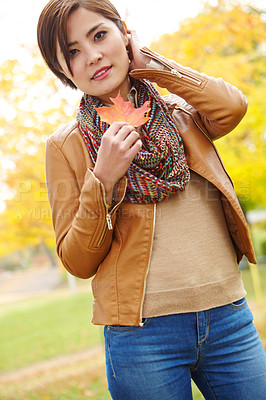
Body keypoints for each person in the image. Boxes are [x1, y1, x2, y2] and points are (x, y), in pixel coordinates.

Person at [37, 1, 266, 399]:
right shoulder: (65, 147)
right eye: (72, 51)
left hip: (228, 317)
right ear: (63, 70)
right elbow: (77, 260)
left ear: (124, 33)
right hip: (142, 338)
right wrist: (103, 178)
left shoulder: (181, 114)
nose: (92, 56)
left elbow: (233, 106)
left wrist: (153, 64)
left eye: (99, 35)